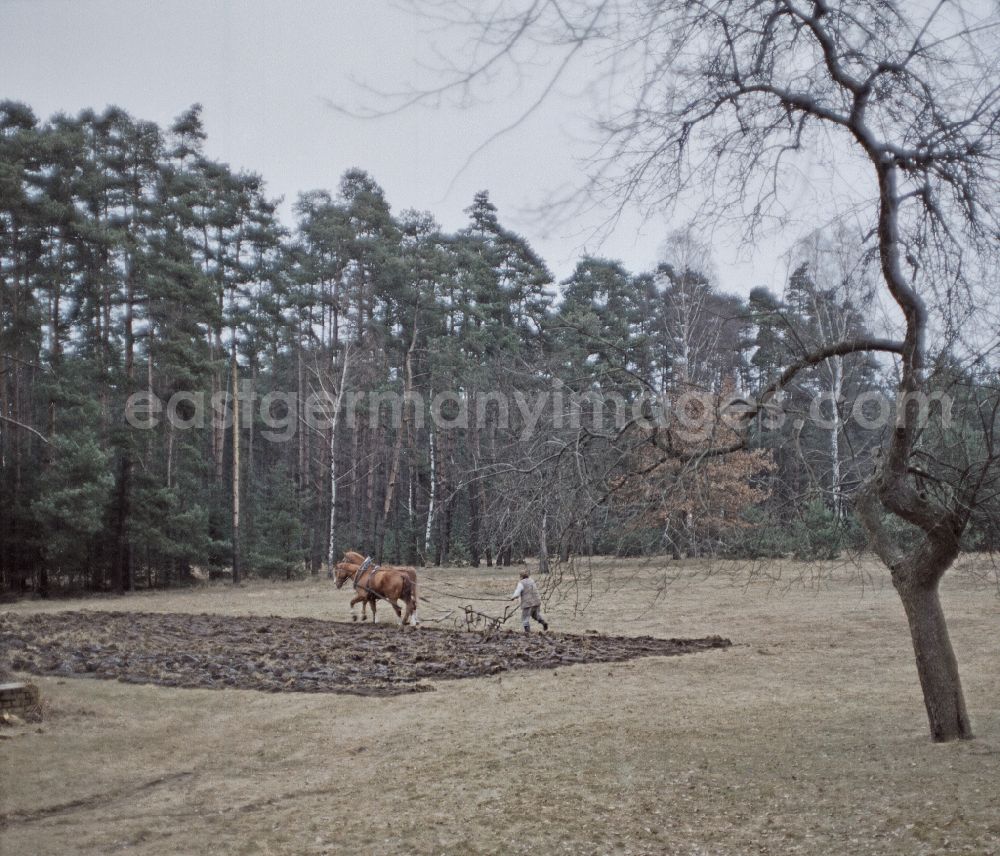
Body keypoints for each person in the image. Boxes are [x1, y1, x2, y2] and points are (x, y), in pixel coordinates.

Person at [510, 569, 548, 634]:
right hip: (536, 601)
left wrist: (513, 597)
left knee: (525, 618)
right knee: (535, 615)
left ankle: (527, 632)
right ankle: (543, 623)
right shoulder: (532, 581)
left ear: (521, 576)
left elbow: (517, 592)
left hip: (528, 603)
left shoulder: (521, 583)